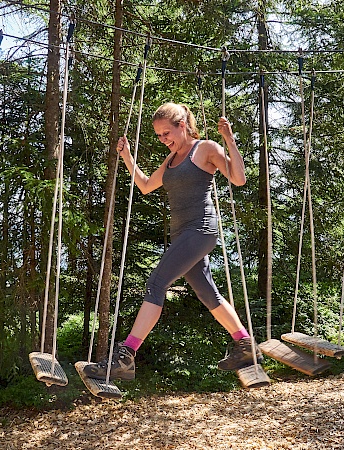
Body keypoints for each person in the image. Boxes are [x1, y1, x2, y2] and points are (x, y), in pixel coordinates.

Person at [84, 102, 262, 381]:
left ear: (182, 125)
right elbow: (144, 186)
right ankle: (245, 344)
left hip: (200, 229)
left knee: (156, 283)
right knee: (207, 292)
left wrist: (229, 140)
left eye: (166, 133)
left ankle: (126, 356)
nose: (163, 139)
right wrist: (128, 158)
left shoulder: (205, 148)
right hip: (183, 235)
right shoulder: (169, 161)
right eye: (158, 135)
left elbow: (238, 179)